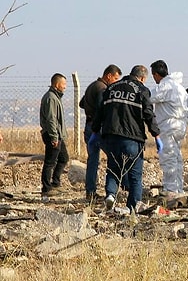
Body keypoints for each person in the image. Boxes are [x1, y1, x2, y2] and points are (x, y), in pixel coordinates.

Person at [91, 65, 162, 212]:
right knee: (135, 174)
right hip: (132, 138)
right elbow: (149, 114)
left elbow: (100, 112)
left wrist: (94, 131)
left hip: (110, 136)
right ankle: (133, 206)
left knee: (113, 168)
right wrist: (156, 135)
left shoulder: (111, 88)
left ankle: (111, 195)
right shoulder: (142, 90)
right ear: (142, 78)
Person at [79, 64, 122, 201]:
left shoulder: (93, 85)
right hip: (97, 128)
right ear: (108, 76)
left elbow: (81, 103)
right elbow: (101, 109)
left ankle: (90, 191)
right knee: (114, 157)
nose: (116, 82)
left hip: (89, 126)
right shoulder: (102, 88)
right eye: (115, 78)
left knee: (93, 160)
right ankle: (111, 191)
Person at [150, 60, 188, 197]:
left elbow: (149, 97)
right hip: (180, 125)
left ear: (155, 74)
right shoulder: (179, 87)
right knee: (176, 157)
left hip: (169, 125)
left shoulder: (165, 86)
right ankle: (178, 188)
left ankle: (171, 190)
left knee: (168, 158)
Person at [39, 73, 70, 199]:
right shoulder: (51, 98)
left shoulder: (55, 97)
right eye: (64, 84)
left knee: (63, 158)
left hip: (57, 134)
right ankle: (46, 188)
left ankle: (55, 183)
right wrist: (54, 137)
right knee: (50, 162)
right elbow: (51, 119)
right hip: (53, 134)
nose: (65, 87)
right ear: (57, 84)